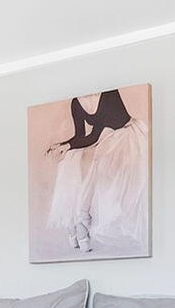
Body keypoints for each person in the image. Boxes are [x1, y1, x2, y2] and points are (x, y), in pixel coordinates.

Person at [44, 87, 148, 254]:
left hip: (124, 135)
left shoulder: (109, 93)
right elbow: (81, 136)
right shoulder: (76, 103)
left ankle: (82, 217)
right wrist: (63, 146)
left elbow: (106, 128)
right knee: (69, 159)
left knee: (99, 162)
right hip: (103, 138)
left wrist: (69, 146)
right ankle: (73, 219)